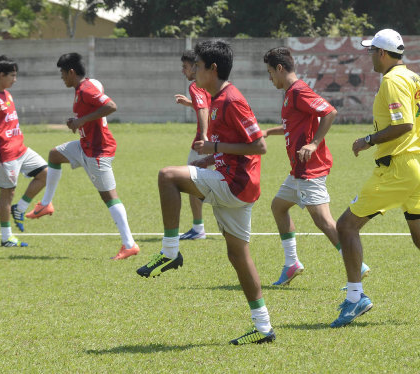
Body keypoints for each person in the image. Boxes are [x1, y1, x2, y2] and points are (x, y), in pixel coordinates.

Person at [330, 29, 420, 328]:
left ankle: (356, 297)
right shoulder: (415, 78)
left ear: (382, 53)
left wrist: (367, 139)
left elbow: (404, 124)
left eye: (371, 51)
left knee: (346, 226)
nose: (369, 55)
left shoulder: (393, 80)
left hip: (398, 167)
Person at [136, 40, 275, 345]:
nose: (194, 70)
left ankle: (170, 251)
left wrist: (214, 148)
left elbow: (259, 146)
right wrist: (211, 157)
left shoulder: (231, 100)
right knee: (238, 256)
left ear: (212, 68)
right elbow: (236, 145)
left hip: (233, 184)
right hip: (238, 183)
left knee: (167, 176)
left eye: (197, 65)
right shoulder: (218, 98)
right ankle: (263, 327)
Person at [262, 47, 370, 286]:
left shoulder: (299, 91)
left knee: (324, 221)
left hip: (309, 169)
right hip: (298, 171)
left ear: (280, 68)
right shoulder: (291, 93)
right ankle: (292, 264)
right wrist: (270, 131)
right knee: (278, 207)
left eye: (270, 72)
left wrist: (313, 143)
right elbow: (296, 125)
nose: (269, 78)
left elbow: (330, 112)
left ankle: (356, 264)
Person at [25, 52, 139, 260]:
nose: (61, 77)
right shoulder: (80, 89)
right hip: (84, 146)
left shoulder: (86, 89)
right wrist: (77, 120)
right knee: (54, 155)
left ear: (71, 72)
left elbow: (111, 106)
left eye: (62, 73)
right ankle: (46, 203)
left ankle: (129, 244)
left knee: (109, 198)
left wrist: (81, 120)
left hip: (98, 151)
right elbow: (90, 113)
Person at [0, 55, 48, 247]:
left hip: (21, 149)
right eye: (12, 75)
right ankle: (6, 237)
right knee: (7, 194)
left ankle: (21, 207)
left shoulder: (7, 93)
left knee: (46, 173)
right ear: (1, 75)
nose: (15, 79)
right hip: (5, 154)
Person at [174, 50, 211, 240]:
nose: (183, 71)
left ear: (195, 67)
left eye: (185, 67)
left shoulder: (196, 85)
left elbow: (204, 109)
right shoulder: (208, 83)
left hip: (202, 144)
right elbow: (205, 105)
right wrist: (190, 104)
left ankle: (198, 229)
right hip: (218, 142)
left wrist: (204, 137)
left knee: (192, 183)